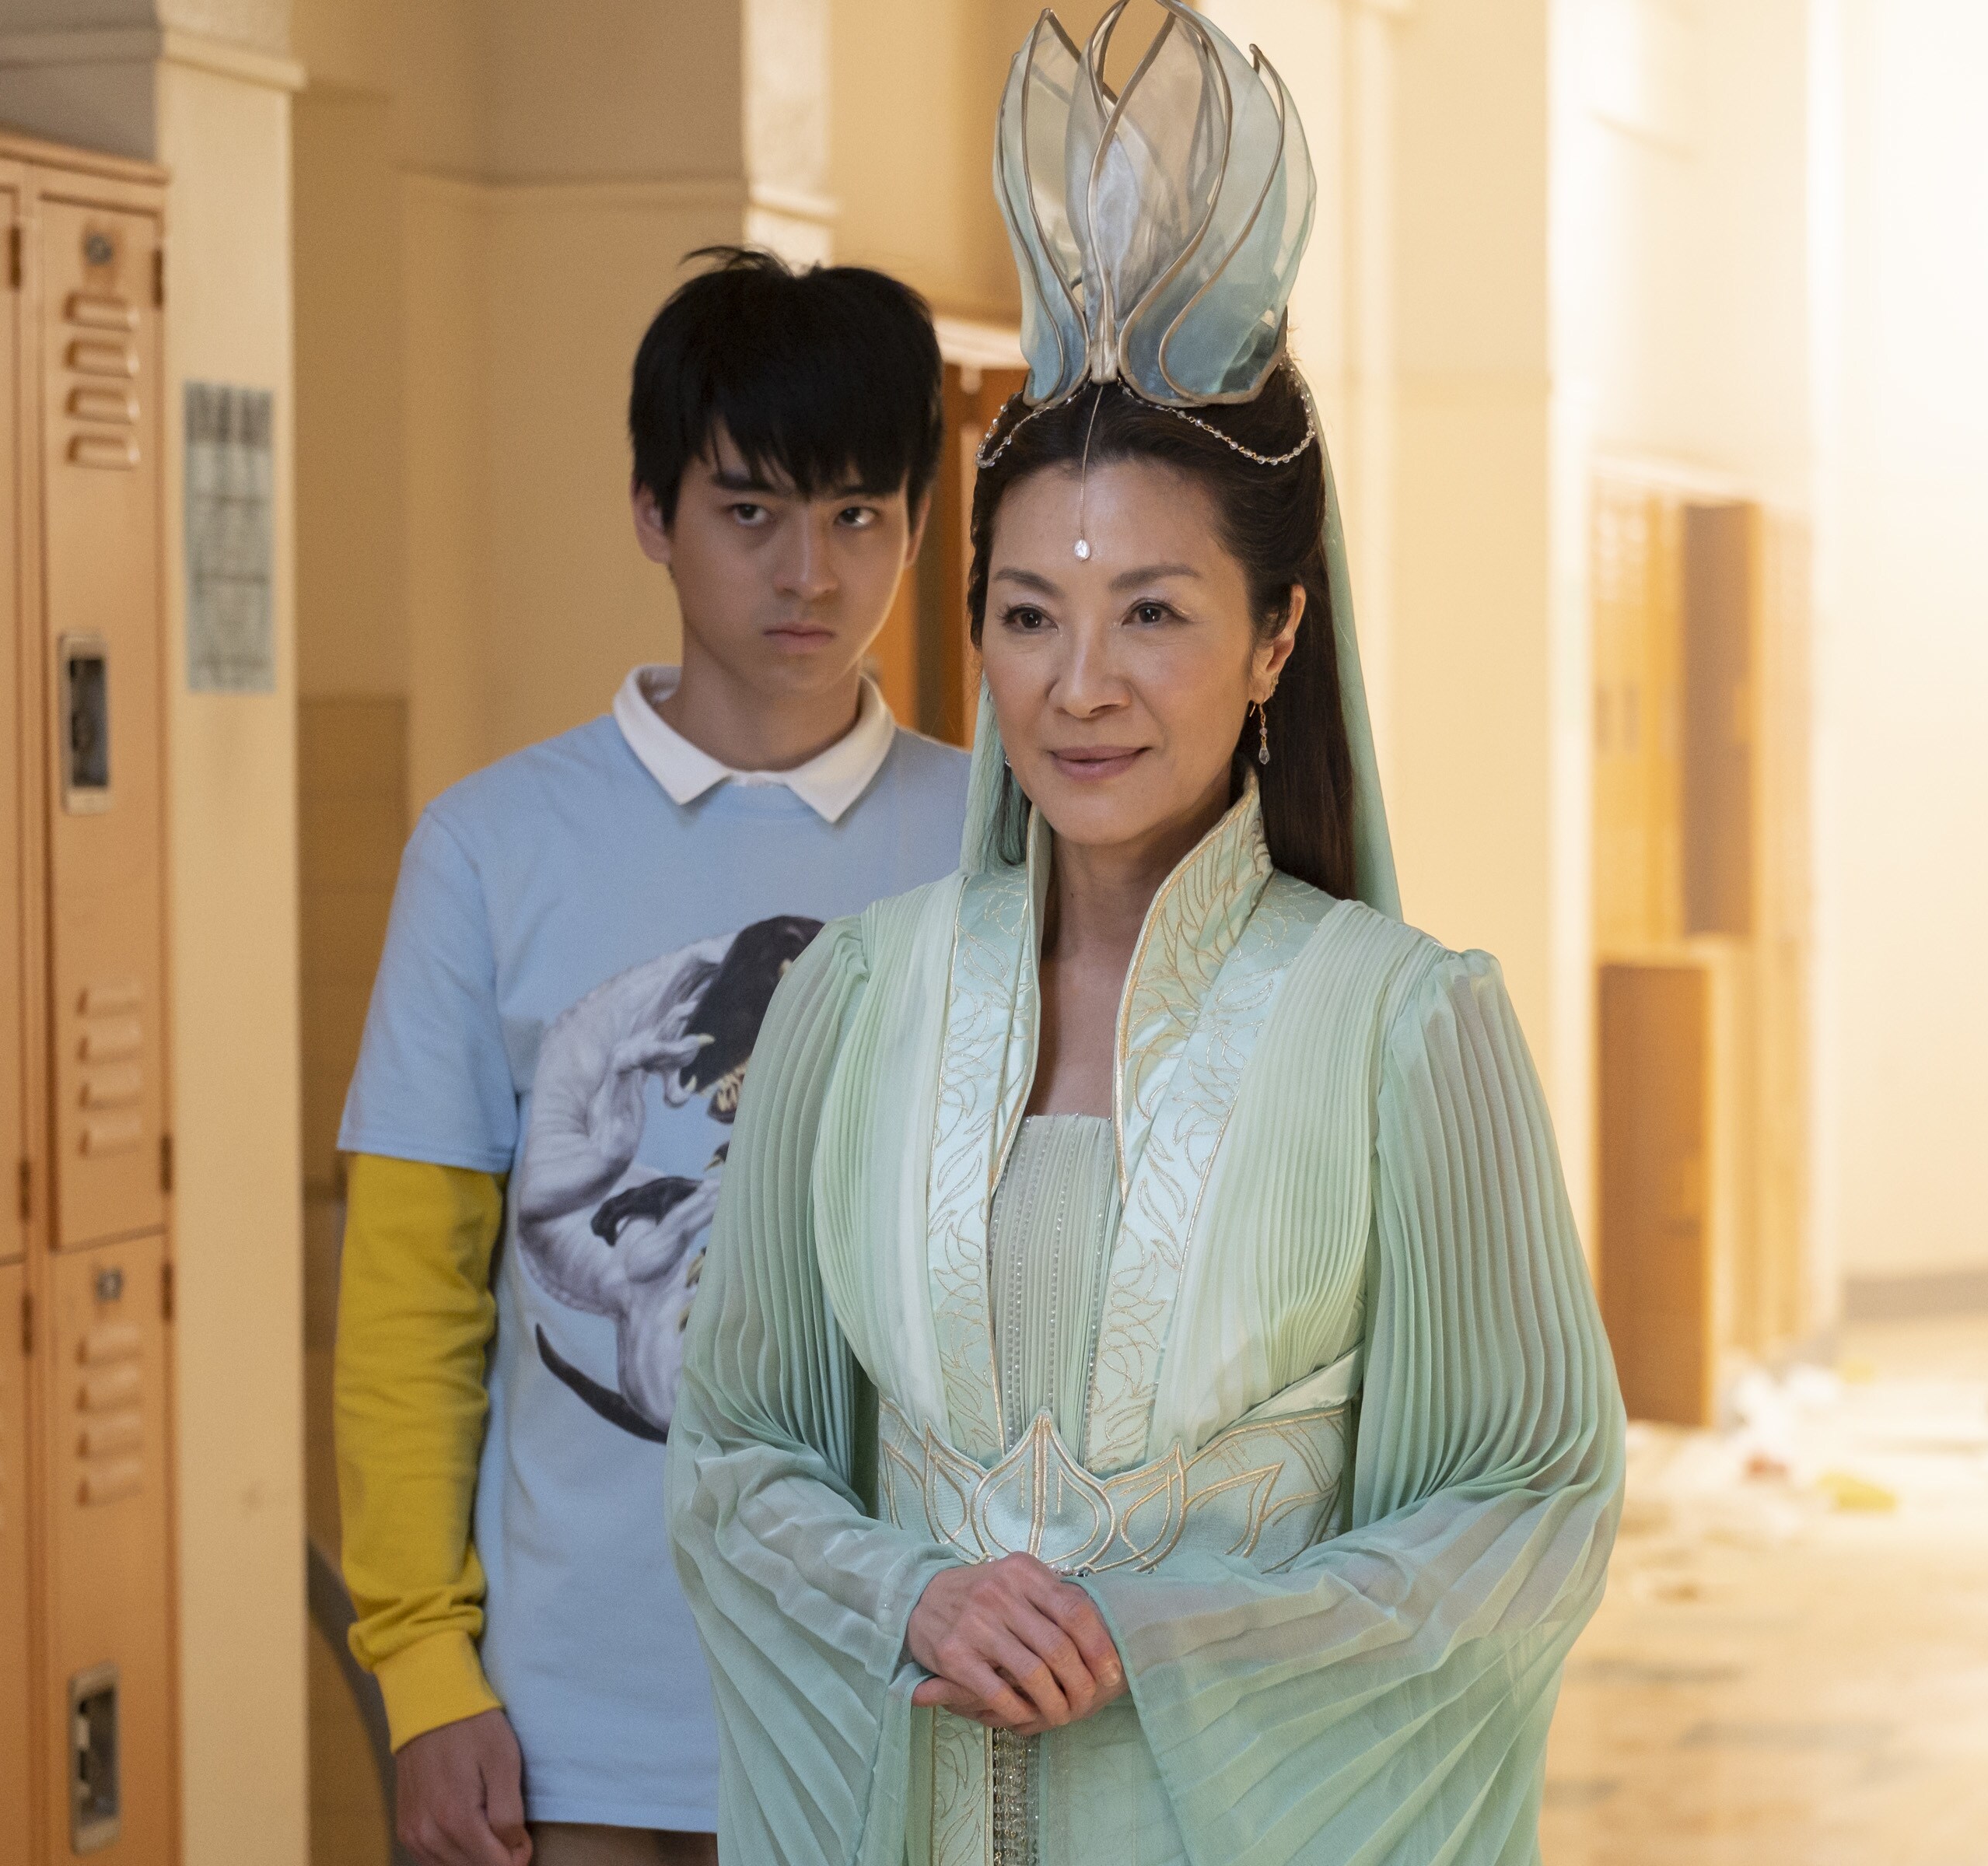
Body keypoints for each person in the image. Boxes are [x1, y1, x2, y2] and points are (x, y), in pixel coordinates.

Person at [665, 9, 1624, 1864]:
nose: (1080, 686)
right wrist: (909, 1600)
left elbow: (1525, 1505)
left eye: (1158, 617)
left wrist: (1168, 1638)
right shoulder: (856, 1004)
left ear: (1277, 641)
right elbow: (736, 1458)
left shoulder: (1406, 1032)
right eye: (1027, 615)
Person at [334, 247, 971, 1866]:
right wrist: (421, 1671)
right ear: (650, 514)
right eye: (750, 511)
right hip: (576, 1729)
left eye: (859, 516)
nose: (809, 574)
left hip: (914, 1709)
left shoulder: (1002, 844)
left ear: (916, 521)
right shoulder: (491, 849)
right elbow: (412, 1298)